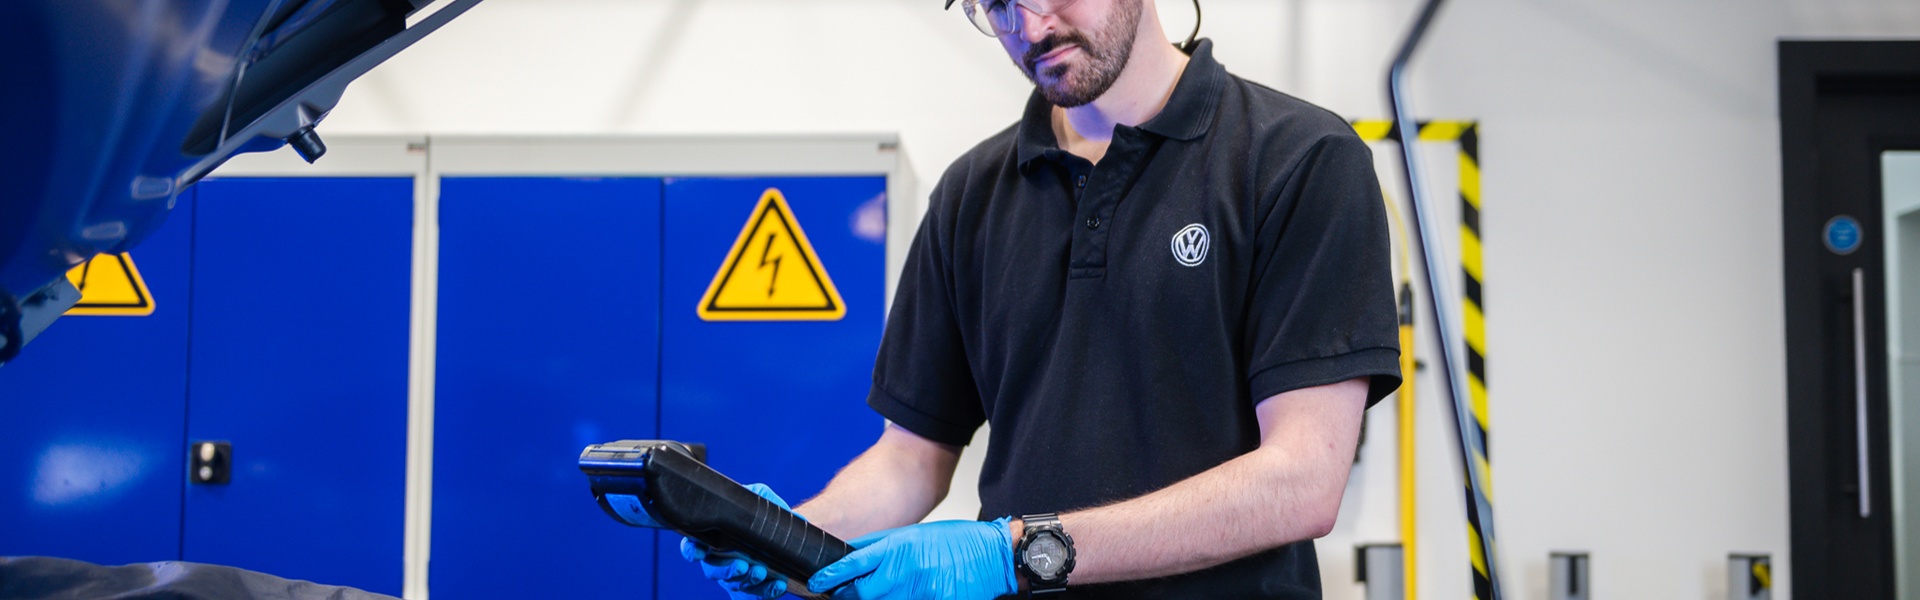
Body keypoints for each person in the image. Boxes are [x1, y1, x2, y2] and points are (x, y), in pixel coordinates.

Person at [680, 0, 1401, 597]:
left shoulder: (1298, 160)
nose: (1029, 26)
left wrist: (1020, 552)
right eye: (993, 5)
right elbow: (911, 459)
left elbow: (1302, 480)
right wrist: (791, 537)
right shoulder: (971, 194)